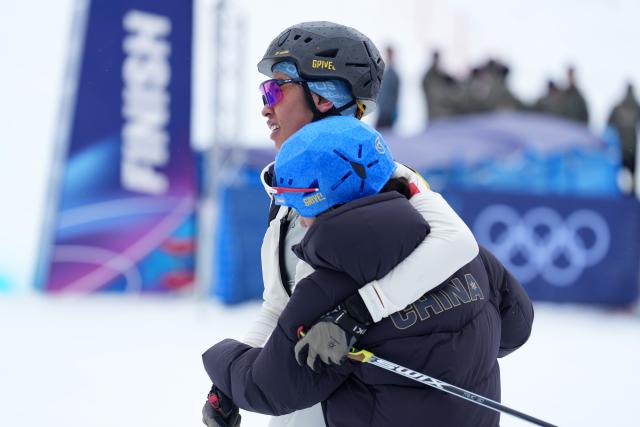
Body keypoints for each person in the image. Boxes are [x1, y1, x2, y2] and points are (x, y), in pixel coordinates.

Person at [202, 21, 479, 427]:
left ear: (324, 98)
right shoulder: (286, 195)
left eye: (276, 88)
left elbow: (458, 242)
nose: (265, 105)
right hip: (297, 400)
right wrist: (230, 380)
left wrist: (355, 314)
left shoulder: (385, 179)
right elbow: (280, 306)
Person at [202, 117, 534, 427]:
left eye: (300, 203)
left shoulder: (327, 286)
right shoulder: (464, 254)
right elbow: (516, 326)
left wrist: (220, 360)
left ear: (324, 198)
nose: (300, 219)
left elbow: (271, 388)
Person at [607, 82, 640, 192]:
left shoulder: (618, 107)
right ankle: (631, 193)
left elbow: (609, 123)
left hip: (620, 147)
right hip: (632, 148)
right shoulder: (636, 106)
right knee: (632, 173)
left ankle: (619, 193)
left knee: (618, 172)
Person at [375, 46, 400, 130]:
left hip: (389, 111)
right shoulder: (384, 72)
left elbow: (396, 93)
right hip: (382, 109)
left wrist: (394, 110)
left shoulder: (393, 74)